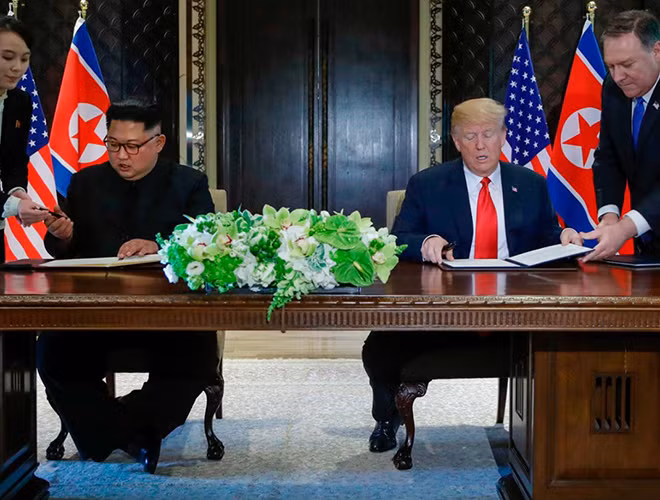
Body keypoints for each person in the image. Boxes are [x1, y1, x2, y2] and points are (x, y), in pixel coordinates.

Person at [362, 97, 583, 453]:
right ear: (456, 140)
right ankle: (387, 418)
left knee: (578, 339)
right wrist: (427, 242)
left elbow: (545, 234)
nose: (480, 145)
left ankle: (560, 430)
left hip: (517, 309)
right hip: (448, 308)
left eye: (488, 134)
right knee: (380, 344)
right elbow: (399, 239)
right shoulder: (428, 184)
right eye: (470, 136)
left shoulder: (530, 183)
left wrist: (564, 236)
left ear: (503, 136)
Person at [37, 100, 218, 473]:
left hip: (167, 314)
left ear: (158, 142)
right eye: (113, 144)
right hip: (96, 312)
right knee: (51, 353)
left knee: (197, 357)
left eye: (133, 146)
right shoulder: (85, 182)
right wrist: (63, 236)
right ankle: (136, 436)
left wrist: (161, 246)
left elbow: (209, 243)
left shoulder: (189, 183)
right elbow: (64, 247)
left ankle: (107, 432)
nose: (121, 155)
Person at [583, 10, 660, 260]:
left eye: (627, 65)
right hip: (648, 244)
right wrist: (609, 217)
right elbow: (609, 156)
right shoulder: (613, 89)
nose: (617, 77)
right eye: (611, 66)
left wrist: (625, 228)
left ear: (657, 51)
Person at [0, 16, 52, 261]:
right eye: (7, 57)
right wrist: (12, 206)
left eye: (24, 59)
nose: (17, 68)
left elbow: (14, 160)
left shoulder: (20, 101)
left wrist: (17, 191)